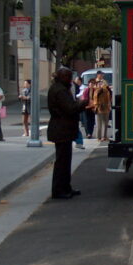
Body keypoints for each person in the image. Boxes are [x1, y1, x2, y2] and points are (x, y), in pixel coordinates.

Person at [47, 67, 87, 199]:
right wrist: (85, 102)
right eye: (69, 77)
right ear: (63, 77)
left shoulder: (59, 88)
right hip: (61, 129)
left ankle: (65, 187)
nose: (70, 80)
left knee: (64, 161)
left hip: (63, 129)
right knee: (62, 162)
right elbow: (70, 108)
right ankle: (59, 190)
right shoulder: (60, 90)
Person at [73, 76, 86, 150]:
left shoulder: (72, 86)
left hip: (72, 109)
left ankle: (79, 142)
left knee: (74, 127)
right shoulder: (73, 86)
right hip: (73, 108)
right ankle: (79, 142)